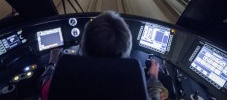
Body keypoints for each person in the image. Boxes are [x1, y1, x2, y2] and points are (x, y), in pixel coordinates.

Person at [40, 11, 168, 100]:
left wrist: (52, 62)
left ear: (83, 49)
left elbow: (44, 88)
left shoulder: (62, 81)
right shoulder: (135, 87)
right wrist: (153, 76)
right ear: (126, 53)